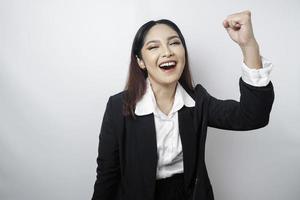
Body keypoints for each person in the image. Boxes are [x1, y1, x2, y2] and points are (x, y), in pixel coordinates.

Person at [91, 10, 274, 200]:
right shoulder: (118, 106)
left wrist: (248, 45)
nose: (167, 52)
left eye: (174, 43)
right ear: (140, 61)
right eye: (154, 47)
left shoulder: (198, 101)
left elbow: (253, 116)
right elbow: (107, 175)